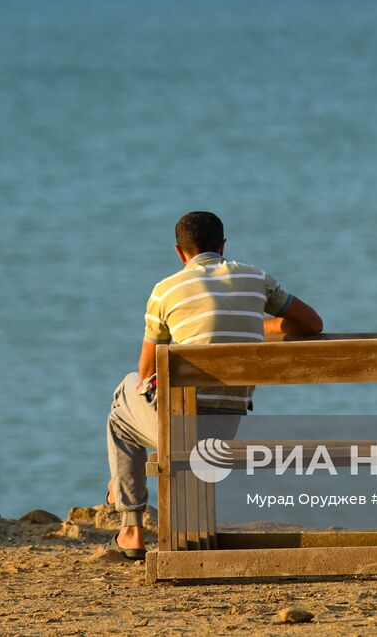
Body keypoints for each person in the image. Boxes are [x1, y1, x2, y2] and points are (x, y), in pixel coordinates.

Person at [104, 211, 323, 559]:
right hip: (226, 427)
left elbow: (146, 373)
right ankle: (123, 491)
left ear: (180, 252)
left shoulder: (165, 291)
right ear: (223, 245)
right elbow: (312, 324)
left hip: (179, 428)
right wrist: (259, 327)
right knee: (150, 405)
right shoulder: (257, 279)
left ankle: (130, 527)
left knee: (123, 403)